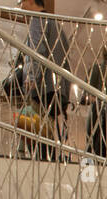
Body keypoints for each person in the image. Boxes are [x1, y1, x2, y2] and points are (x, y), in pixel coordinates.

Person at [19, 0, 71, 158]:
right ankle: (49, 161)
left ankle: (41, 161)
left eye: (21, 2)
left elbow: (37, 49)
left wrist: (31, 76)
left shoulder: (37, 19)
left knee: (36, 129)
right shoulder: (54, 24)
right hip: (57, 86)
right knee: (47, 128)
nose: (21, 7)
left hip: (43, 85)